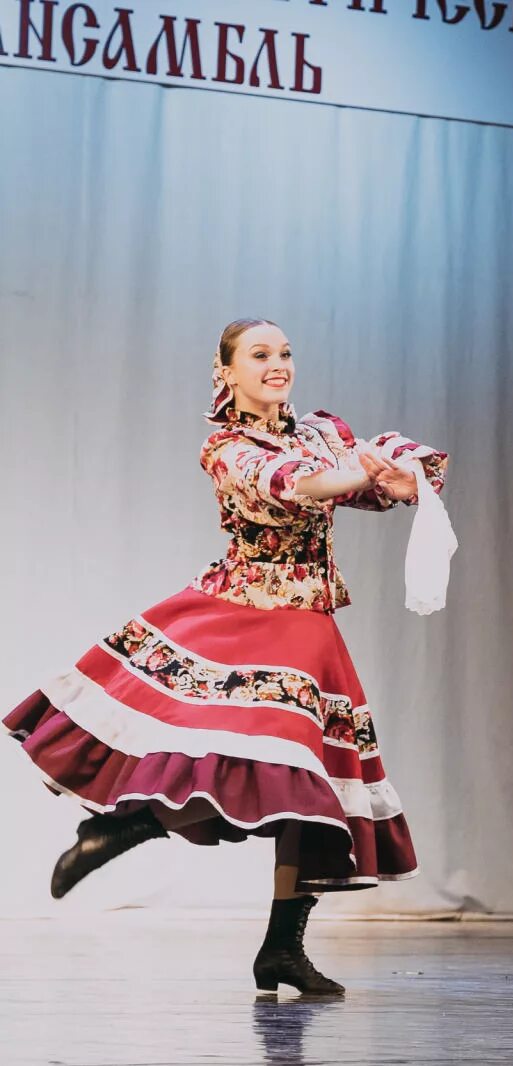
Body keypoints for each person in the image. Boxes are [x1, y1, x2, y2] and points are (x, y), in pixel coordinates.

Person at [5, 318, 447, 996]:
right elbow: (293, 486)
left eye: (286, 353)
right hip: (248, 616)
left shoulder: (323, 433)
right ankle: (127, 826)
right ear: (227, 372)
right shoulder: (228, 448)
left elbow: (366, 488)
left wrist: (400, 478)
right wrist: (358, 470)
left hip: (310, 627)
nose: (278, 365)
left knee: (310, 790)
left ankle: (280, 949)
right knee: (261, 769)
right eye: (260, 354)